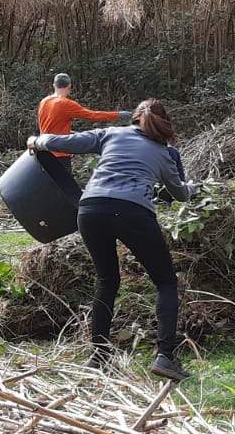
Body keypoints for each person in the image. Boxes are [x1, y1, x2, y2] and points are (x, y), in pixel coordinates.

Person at [28, 99, 196, 380]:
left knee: (107, 281)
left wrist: (37, 140)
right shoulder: (165, 152)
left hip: (91, 210)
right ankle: (165, 357)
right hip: (133, 212)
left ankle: (99, 357)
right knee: (165, 282)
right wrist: (190, 188)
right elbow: (179, 194)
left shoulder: (112, 134)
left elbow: (63, 142)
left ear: (134, 120)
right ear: (162, 123)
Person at [36, 72, 130, 200]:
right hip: (60, 154)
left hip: (43, 152)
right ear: (69, 86)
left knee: (49, 189)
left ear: (54, 85)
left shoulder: (44, 101)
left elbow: (49, 126)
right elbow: (93, 115)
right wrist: (119, 115)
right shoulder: (65, 103)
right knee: (64, 193)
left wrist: (72, 133)